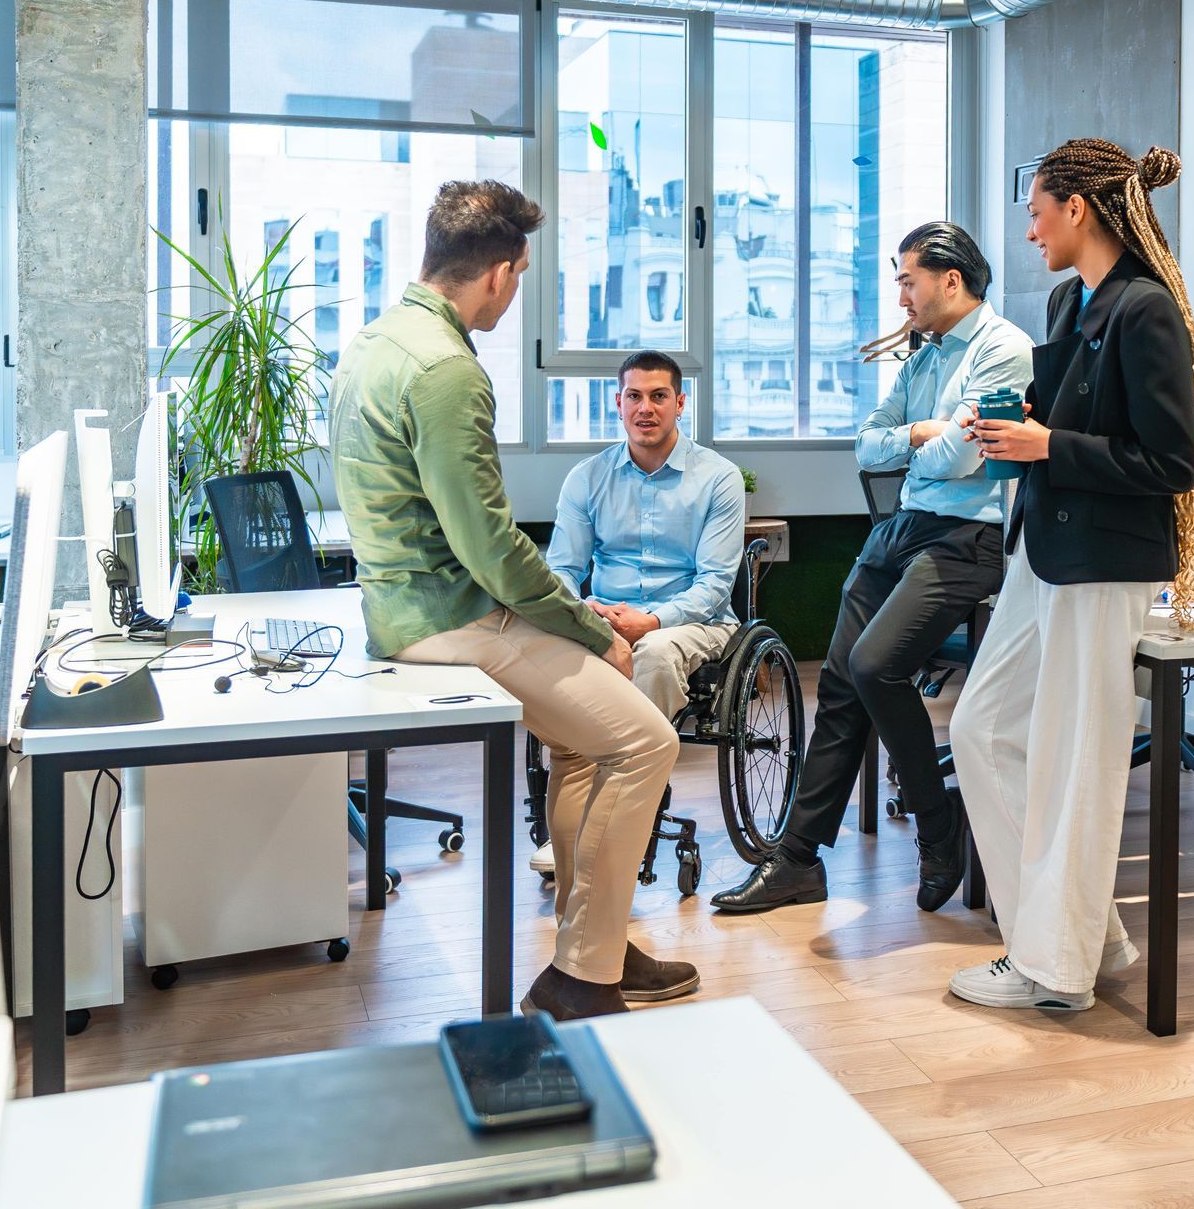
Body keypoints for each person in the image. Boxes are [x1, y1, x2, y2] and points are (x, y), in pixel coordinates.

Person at [328, 179, 697, 1020]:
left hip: (403, 608)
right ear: (498, 273)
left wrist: (565, 611)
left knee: (579, 746)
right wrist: (583, 625)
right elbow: (488, 547)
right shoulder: (447, 371)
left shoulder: (373, 343)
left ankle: (596, 948)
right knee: (646, 742)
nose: (516, 292)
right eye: (521, 275)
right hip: (452, 621)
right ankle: (580, 977)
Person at [946, 140, 1194, 1011]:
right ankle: (1083, 936)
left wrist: (1049, 445)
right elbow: (1076, 416)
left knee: (1075, 760)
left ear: (1079, 209)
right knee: (982, 731)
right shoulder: (1073, 301)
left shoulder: (1147, 311)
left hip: (1104, 566)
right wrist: (1024, 426)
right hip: (1045, 549)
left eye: (1036, 210)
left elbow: (1171, 462)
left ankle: (1053, 971)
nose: (1029, 230)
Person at [711, 222, 1034, 915]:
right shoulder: (923, 358)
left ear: (951, 280)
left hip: (968, 536)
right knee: (838, 681)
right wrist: (926, 434)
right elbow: (866, 446)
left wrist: (920, 444)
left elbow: (965, 460)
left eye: (907, 281)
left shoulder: (1004, 350)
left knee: (874, 665)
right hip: (903, 528)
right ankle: (798, 859)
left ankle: (938, 825)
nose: (900, 298)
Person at [528, 348, 745, 874]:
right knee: (546, 654)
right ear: (617, 403)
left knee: (652, 653)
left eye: (658, 396)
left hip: (692, 622)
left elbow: (715, 585)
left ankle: (613, 814)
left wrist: (649, 621)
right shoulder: (587, 477)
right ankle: (578, 811)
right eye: (634, 396)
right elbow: (562, 567)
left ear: (680, 403)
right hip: (604, 617)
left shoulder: (718, 478)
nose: (645, 408)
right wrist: (582, 613)